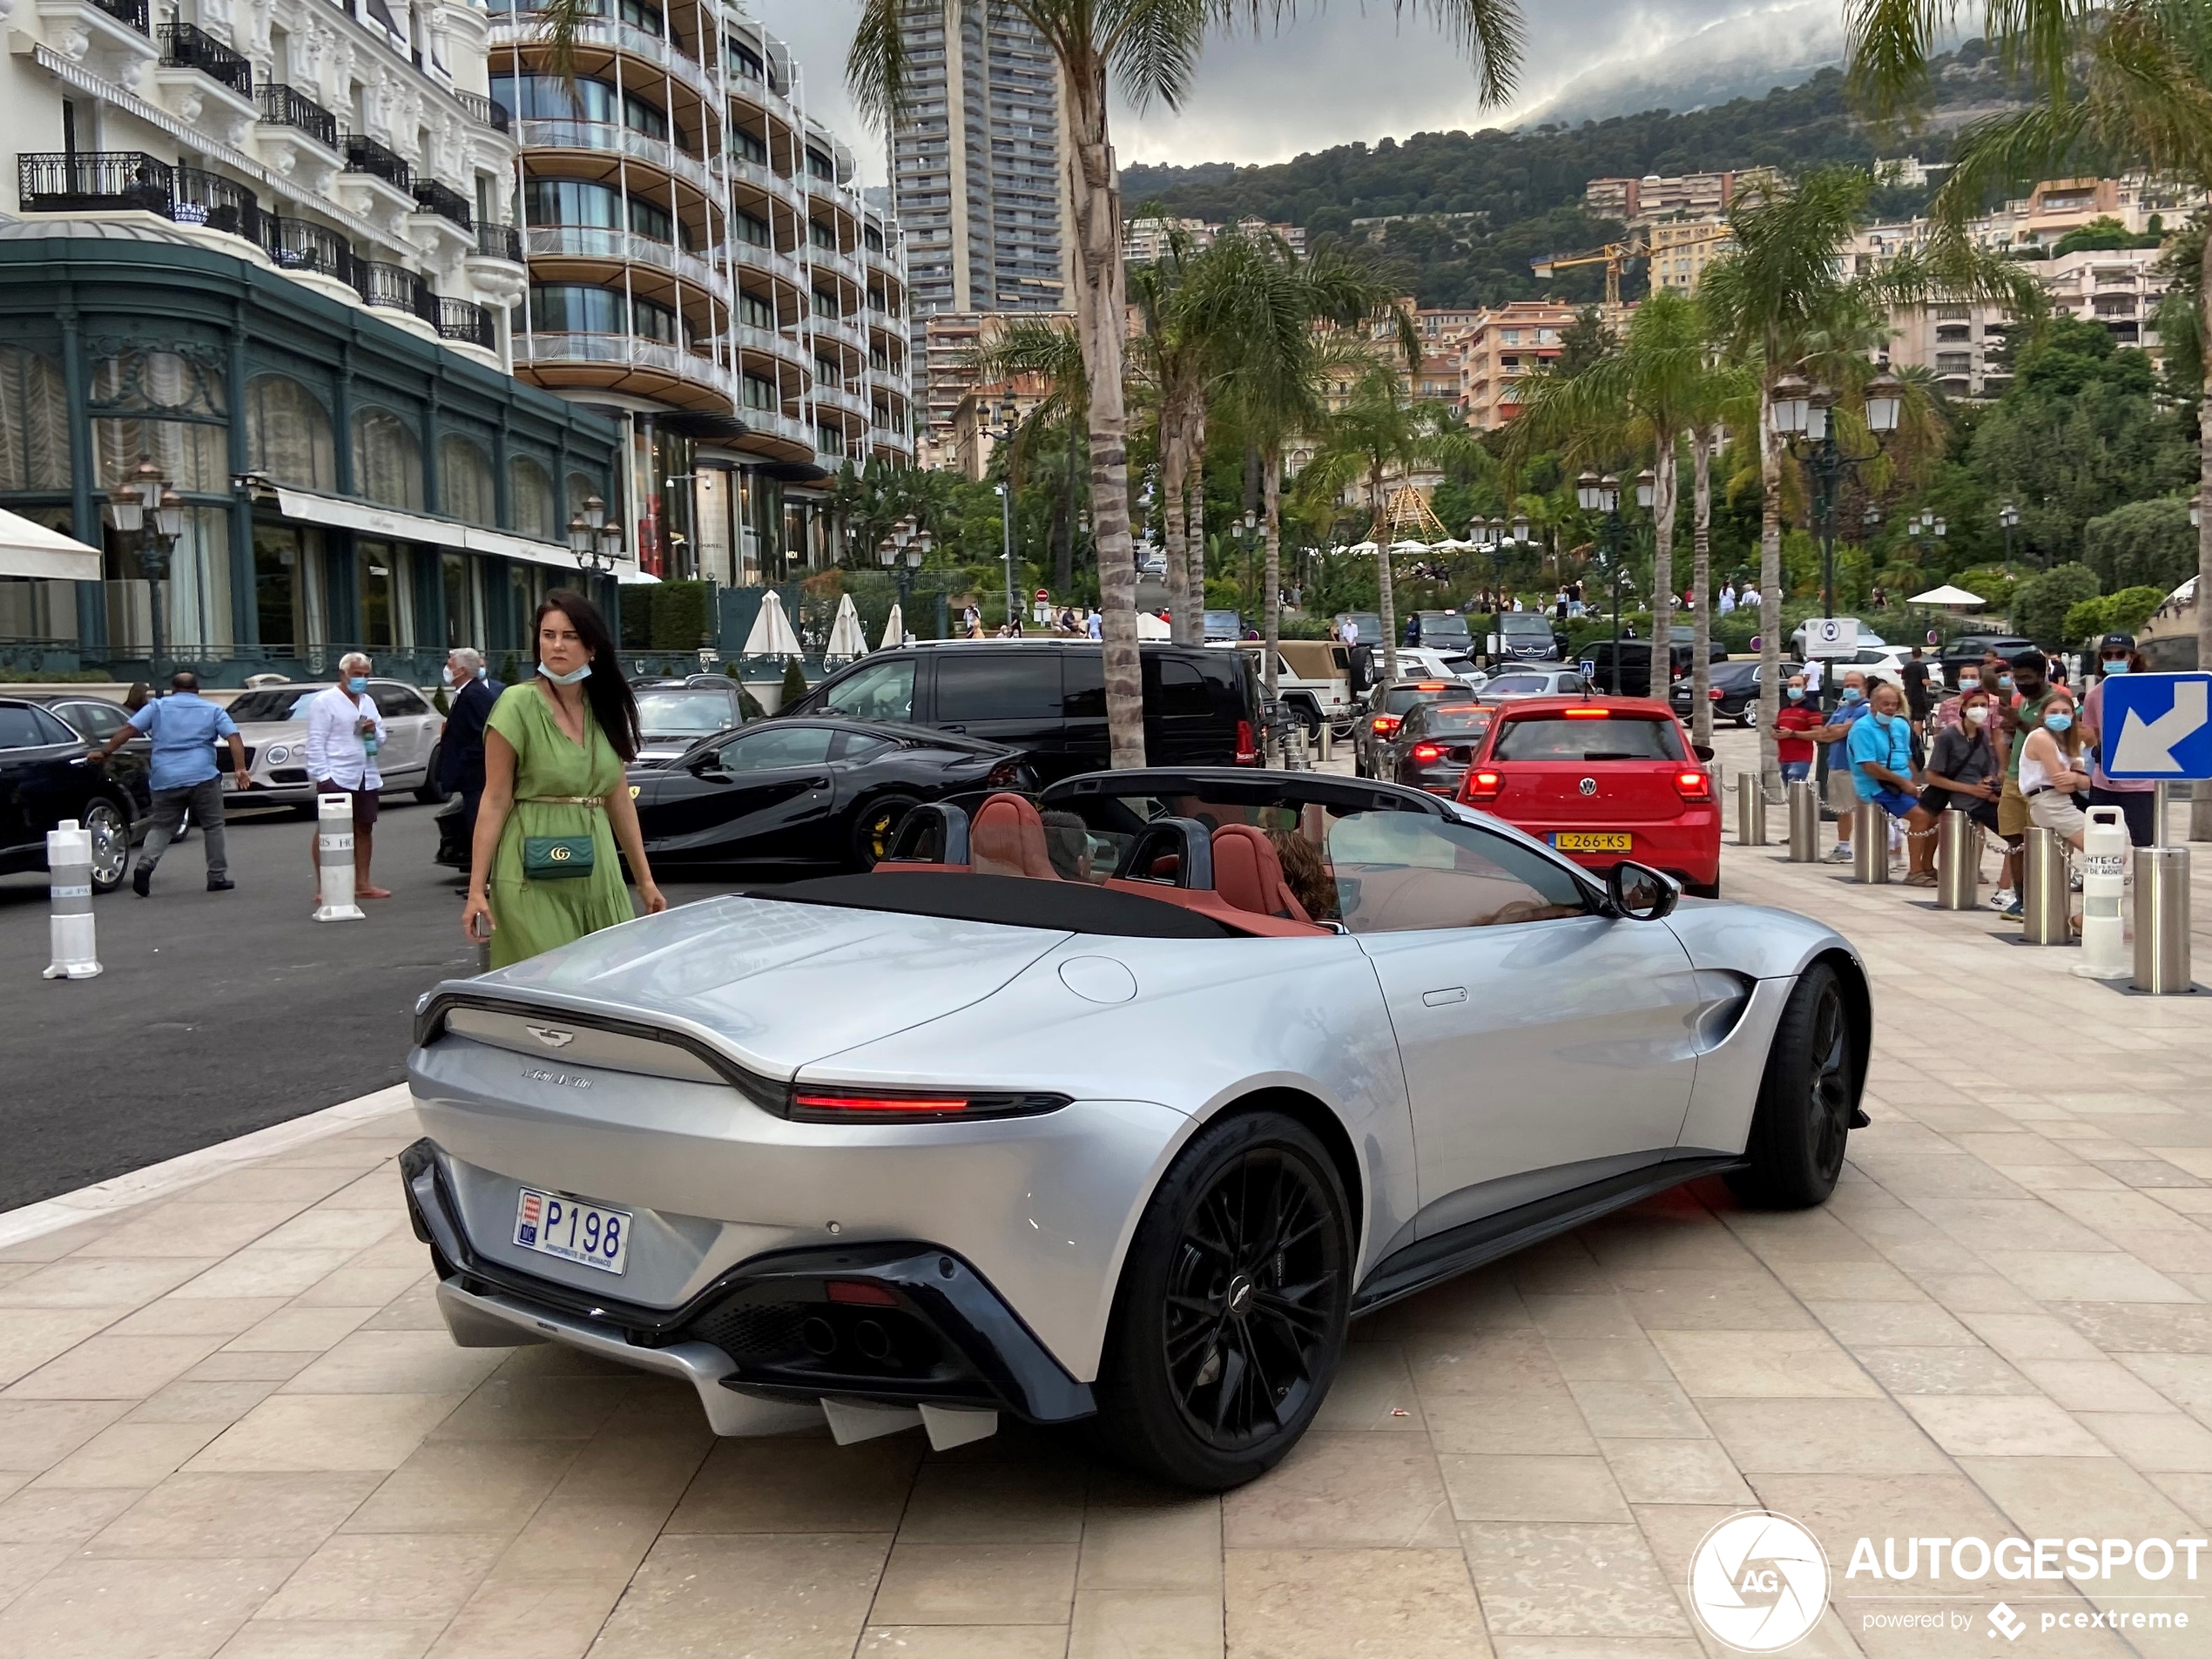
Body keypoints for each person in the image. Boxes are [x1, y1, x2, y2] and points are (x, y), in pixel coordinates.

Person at [462, 590, 667, 968]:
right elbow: (494, 799)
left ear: (592, 648)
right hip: (530, 869)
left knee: (610, 980)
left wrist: (645, 880)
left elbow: (619, 800)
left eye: (570, 636)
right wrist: (478, 888)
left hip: (598, 868)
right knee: (551, 980)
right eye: (548, 634)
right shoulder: (516, 704)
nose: (556, 645)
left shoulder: (604, 708)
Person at [84, 669, 247, 895]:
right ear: (197, 690)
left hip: (166, 777)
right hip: (203, 776)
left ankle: (145, 864)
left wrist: (104, 752)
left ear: (173, 690)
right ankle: (216, 876)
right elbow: (234, 738)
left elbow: (129, 730)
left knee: (162, 826)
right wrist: (240, 768)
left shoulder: (157, 707)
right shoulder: (213, 710)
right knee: (213, 826)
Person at [306, 654, 391, 900]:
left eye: (366, 675)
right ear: (343, 674)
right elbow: (315, 743)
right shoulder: (325, 702)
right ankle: (325, 886)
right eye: (357, 674)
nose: (361, 680)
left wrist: (373, 731)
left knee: (364, 827)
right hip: (337, 774)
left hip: (366, 772)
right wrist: (323, 776)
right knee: (329, 829)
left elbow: (382, 737)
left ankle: (362, 883)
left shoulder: (368, 702)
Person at [1901, 684, 2000, 886]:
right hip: (1958, 792)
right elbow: (1933, 776)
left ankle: (1971, 868)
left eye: (1983, 705)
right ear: (1963, 707)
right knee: (1932, 821)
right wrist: (1970, 789)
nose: (1979, 709)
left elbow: (1989, 768)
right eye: (1974, 705)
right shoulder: (1948, 736)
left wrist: (1990, 783)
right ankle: (1920, 869)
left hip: (1979, 792)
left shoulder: (1982, 735)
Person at [1989, 651, 2054, 917]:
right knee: (2014, 840)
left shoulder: (2055, 702)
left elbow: (2050, 736)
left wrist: (2018, 722)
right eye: (2017, 678)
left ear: (2042, 675)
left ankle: (2041, 897)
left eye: (2027, 678)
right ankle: (2021, 896)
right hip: (2015, 779)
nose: (2021, 683)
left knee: (2038, 841)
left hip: (2039, 783)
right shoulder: (2024, 702)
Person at [2079, 633, 2157, 846]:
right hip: (2104, 782)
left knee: (2145, 841)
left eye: (2120, 654)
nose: (2113, 660)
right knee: (2101, 843)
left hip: (2141, 784)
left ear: (2131, 657)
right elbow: (2091, 734)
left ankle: (2144, 879)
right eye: (2107, 655)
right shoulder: (2094, 695)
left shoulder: (2150, 690)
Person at [438, 648, 505, 880]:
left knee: (480, 825)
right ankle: (483, 880)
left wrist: (467, 758)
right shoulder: (465, 693)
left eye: (450, 663)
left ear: (462, 670)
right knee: (474, 825)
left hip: (476, 776)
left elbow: (486, 734)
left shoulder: (474, 695)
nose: (446, 668)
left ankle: (488, 881)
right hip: (470, 776)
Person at [1846, 682, 1919, 846]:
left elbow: (1908, 757)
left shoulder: (1900, 725)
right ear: (1872, 705)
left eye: (1894, 704)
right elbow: (1869, 766)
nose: (1890, 708)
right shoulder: (1862, 728)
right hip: (1877, 787)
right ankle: (1916, 869)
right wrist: (1903, 783)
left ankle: (1923, 864)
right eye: (1885, 704)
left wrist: (1916, 785)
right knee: (1921, 816)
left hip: (1902, 785)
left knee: (1933, 816)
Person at [2020, 688, 2091, 856]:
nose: (2060, 715)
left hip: (2062, 802)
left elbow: (2086, 782)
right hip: (2049, 802)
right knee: (2103, 850)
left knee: (2102, 849)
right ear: (2043, 714)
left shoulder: (2065, 742)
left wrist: (2074, 778)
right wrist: (2076, 779)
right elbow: (2064, 785)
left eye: (2065, 712)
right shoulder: (2041, 738)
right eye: (2054, 712)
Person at [1775, 673, 1822, 785]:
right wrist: (1776, 733)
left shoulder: (1811, 708)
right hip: (1784, 758)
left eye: (1797, 685)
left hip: (1801, 759)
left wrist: (1792, 734)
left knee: (1796, 792)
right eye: (1790, 686)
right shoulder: (1784, 708)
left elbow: (1818, 734)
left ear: (1805, 687)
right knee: (1790, 794)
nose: (1793, 688)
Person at [1901, 647, 1932, 731]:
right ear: (1921, 654)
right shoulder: (1922, 666)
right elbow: (1924, 681)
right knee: (1919, 718)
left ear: (1912, 654)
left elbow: (1904, 681)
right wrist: (1930, 682)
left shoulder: (1906, 666)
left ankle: (1910, 734)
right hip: (1919, 696)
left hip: (1908, 695)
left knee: (1911, 717)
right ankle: (1917, 738)